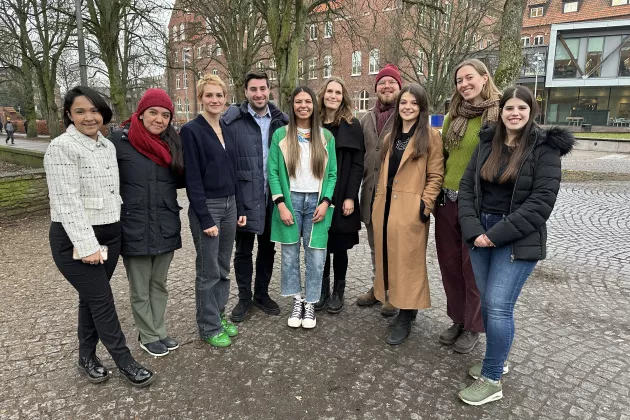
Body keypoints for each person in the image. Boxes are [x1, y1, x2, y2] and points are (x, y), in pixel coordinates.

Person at [457, 86, 574, 405]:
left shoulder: (545, 149)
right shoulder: (487, 142)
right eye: (509, 107)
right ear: (502, 111)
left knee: (497, 305)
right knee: (489, 301)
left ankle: (492, 378)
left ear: (532, 111)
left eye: (522, 108)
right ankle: (498, 359)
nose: (515, 113)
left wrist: (495, 235)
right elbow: (468, 188)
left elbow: (541, 204)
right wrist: (473, 229)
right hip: (480, 230)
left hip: (517, 238)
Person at [44, 86, 155, 387]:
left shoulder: (107, 146)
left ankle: (86, 357)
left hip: (110, 233)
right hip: (76, 240)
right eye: (80, 111)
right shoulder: (61, 147)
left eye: (94, 110)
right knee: (102, 300)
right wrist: (87, 244)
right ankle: (125, 362)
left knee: (90, 299)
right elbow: (66, 203)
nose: (89, 117)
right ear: (69, 114)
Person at [109, 88, 184, 357]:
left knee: (159, 284)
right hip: (134, 225)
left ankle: (159, 330)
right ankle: (147, 335)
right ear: (140, 114)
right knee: (140, 287)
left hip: (165, 222)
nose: (159, 119)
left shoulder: (172, 143)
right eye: (153, 113)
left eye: (165, 115)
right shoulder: (119, 142)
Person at [435, 59, 501, 354]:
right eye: (459, 80)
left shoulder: (498, 115)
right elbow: (445, 157)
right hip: (447, 200)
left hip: (477, 203)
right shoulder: (454, 116)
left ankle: (475, 326)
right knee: (449, 265)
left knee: (471, 267)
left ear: (485, 78)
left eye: (469, 78)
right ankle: (458, 319)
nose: (464, 84)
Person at [371, 84, 444, 345]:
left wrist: (426, 205)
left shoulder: (430, 136)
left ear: (421, 107)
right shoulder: (391, 136)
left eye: (414, 103)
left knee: (409, 262)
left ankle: (405, 313)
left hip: (411, 209)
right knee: (389, 258)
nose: (408, 107)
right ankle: (401, 304)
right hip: (387, 206)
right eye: (404, 103)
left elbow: (435, 175)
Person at [181, 74, 246, 348]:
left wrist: (240, 206)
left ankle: (219, 315)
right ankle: (208, 326)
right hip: (207, 206)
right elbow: (192, 178)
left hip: (230, 204)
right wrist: (204, 216)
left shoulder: (227, 129)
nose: (215, 100)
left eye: (219, 95)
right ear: (201, 98)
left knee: (223, 266)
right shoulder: (191, 130)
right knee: (208, 270)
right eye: (209, 95)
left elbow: (235, 171)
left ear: (225, 97)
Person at [222, 71, 289, 323]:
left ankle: (261, 293)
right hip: (244, 195)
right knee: (243, 249)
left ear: (269, 90)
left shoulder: (282, 121)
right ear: (246, 92)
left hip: (273, 195)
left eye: (263, 88)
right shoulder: (232, 120)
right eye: (253, 89)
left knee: (268, 248)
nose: (259, 94)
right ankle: (244, 297)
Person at [268, 86, 337, 329]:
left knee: (316, 256)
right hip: (291, 201)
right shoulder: (281, 135)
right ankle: (296, 300)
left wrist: (326, 201)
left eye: (308, 101)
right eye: (299, 101)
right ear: (293, 105)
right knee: (289, 255)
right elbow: (274, 172)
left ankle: (310, 303)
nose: (303, 105)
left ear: (314, 105)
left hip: (317, 204)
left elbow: (332, 175)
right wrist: (281, 204)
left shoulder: (326, 137)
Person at [314, 77, 364, 314]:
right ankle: (322, 289)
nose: (333, 96)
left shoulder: (352, 125)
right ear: (323, 94)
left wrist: (350, 197)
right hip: (316, 192)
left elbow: (357, 163)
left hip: (342, 190)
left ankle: (338, 291)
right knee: (319, 245)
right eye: (329, 91)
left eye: (338, 92)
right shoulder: (314, 124)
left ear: (344, 97)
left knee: (339, 246)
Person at [355, 64, 402, 317]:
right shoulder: (366, 118)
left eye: (391, 83)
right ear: (376, 89)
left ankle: (394, 294)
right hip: (371, 193)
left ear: (399, 87)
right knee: (375, 245)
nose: (386, 87)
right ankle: (378, 288)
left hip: (396, 195)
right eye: (382, 83)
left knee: (393, 246)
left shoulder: (406, 116)